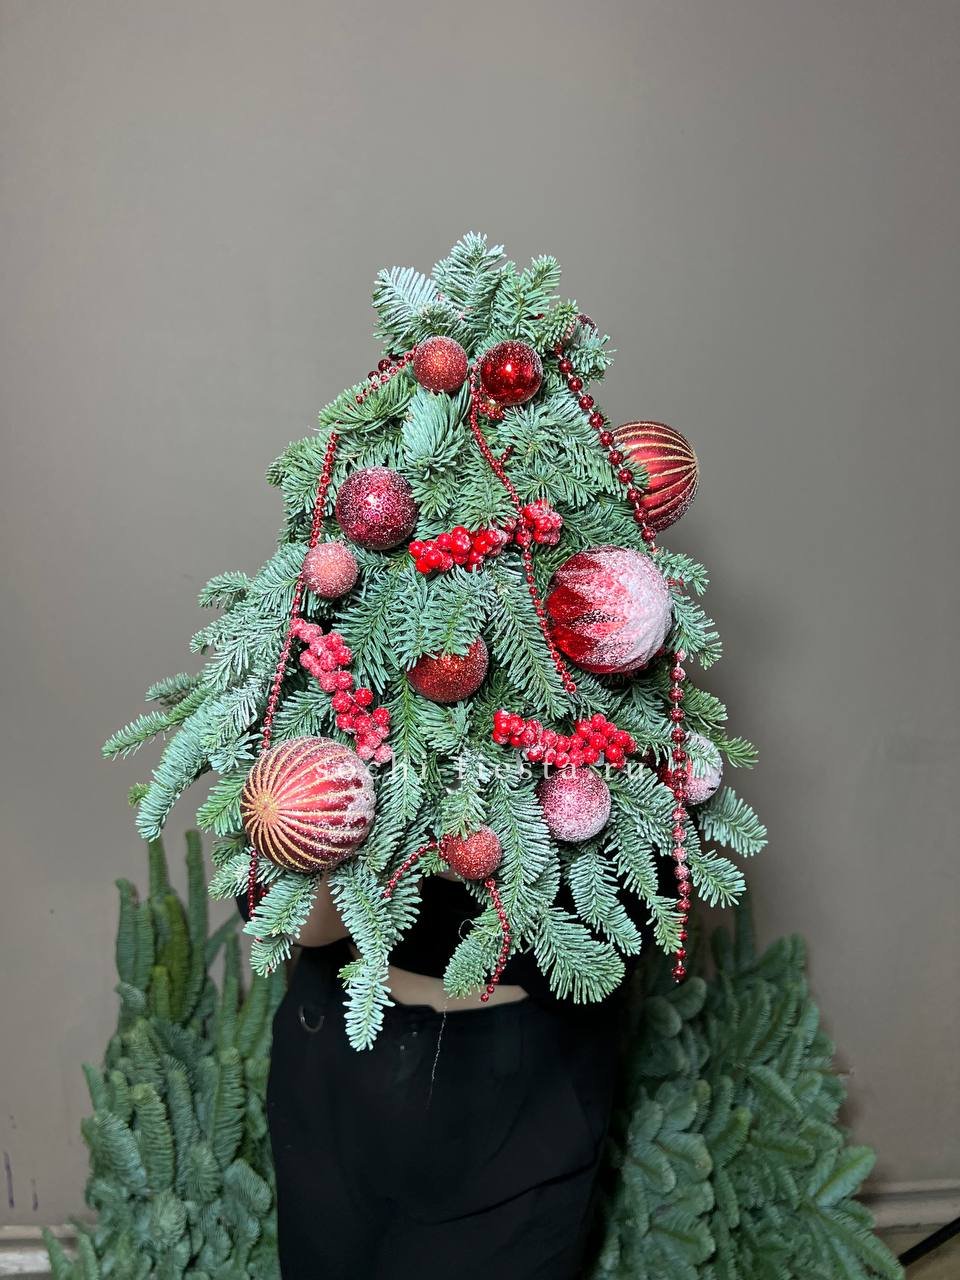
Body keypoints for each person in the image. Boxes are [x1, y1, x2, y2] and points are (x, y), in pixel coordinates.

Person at [242, 863, 665, 1280]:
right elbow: (276, 912)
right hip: (339, 1042)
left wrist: (483, 859)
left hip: (521, 1086)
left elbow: (613, 942)